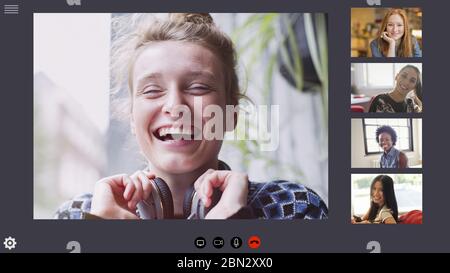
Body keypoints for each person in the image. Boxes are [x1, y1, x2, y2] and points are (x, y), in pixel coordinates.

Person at [55, 13, 328, 220]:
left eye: (198, 87)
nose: (175, 106)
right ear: (130, 117)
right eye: (152, 91)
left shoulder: (293, 207)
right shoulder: (77, 216)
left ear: (231, 112)